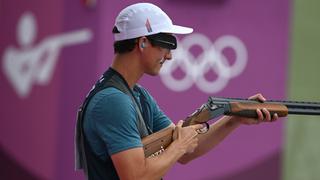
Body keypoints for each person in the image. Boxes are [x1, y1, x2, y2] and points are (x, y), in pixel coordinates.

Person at [75, 3, 278, 180]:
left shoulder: (137, 95)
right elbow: (136, 177)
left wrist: (234, 118)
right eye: (168, 44)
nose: (170, 56)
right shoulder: (113, 101)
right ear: (142, 42)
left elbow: (189, 150)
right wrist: (178, 146)